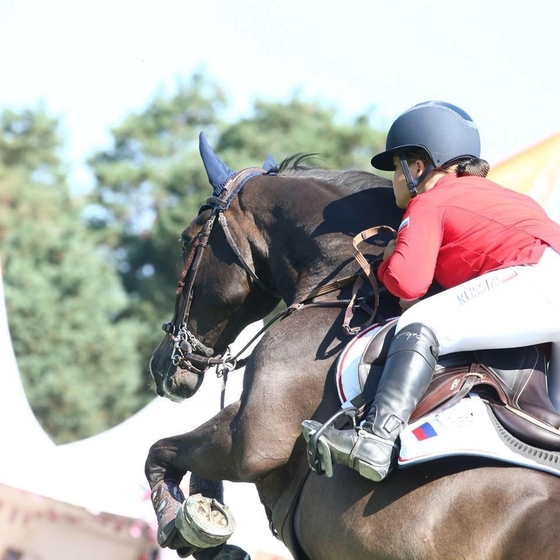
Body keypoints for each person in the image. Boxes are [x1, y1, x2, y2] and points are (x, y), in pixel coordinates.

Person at [304, 100, 560, 482]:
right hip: (544, 290)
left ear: (419, 167)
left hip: (540, 281)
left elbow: (408, 284)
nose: (394, 178)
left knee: (423, 319)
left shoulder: (431, 200)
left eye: (396, 167)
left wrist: (389, 260)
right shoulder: (511, 198)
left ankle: (376, 438)